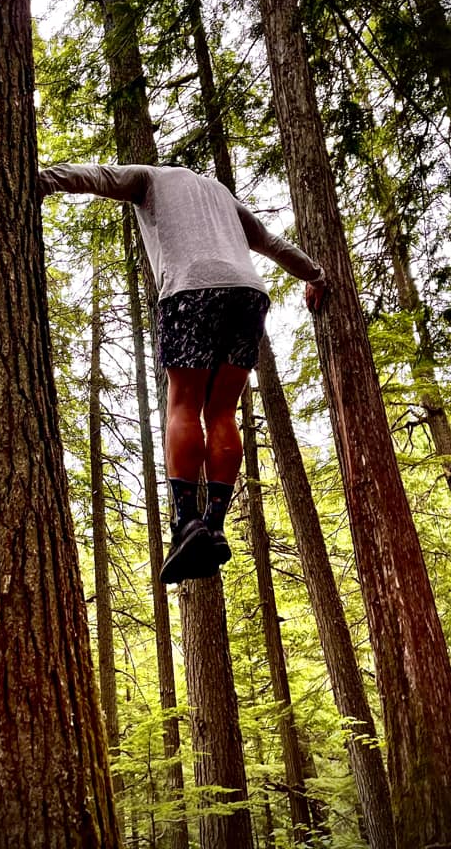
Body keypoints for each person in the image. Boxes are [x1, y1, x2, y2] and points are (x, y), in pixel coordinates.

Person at [38, 163, 326, 585]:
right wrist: (315, 275)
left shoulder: (150, 178)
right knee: (223, 412)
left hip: (192, 289)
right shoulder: (222, 195)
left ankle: (187, 520)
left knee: (184, 404)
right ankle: (213, 525)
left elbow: (95, 176)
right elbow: (270, 241)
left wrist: (39, 179)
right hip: (249, 294)